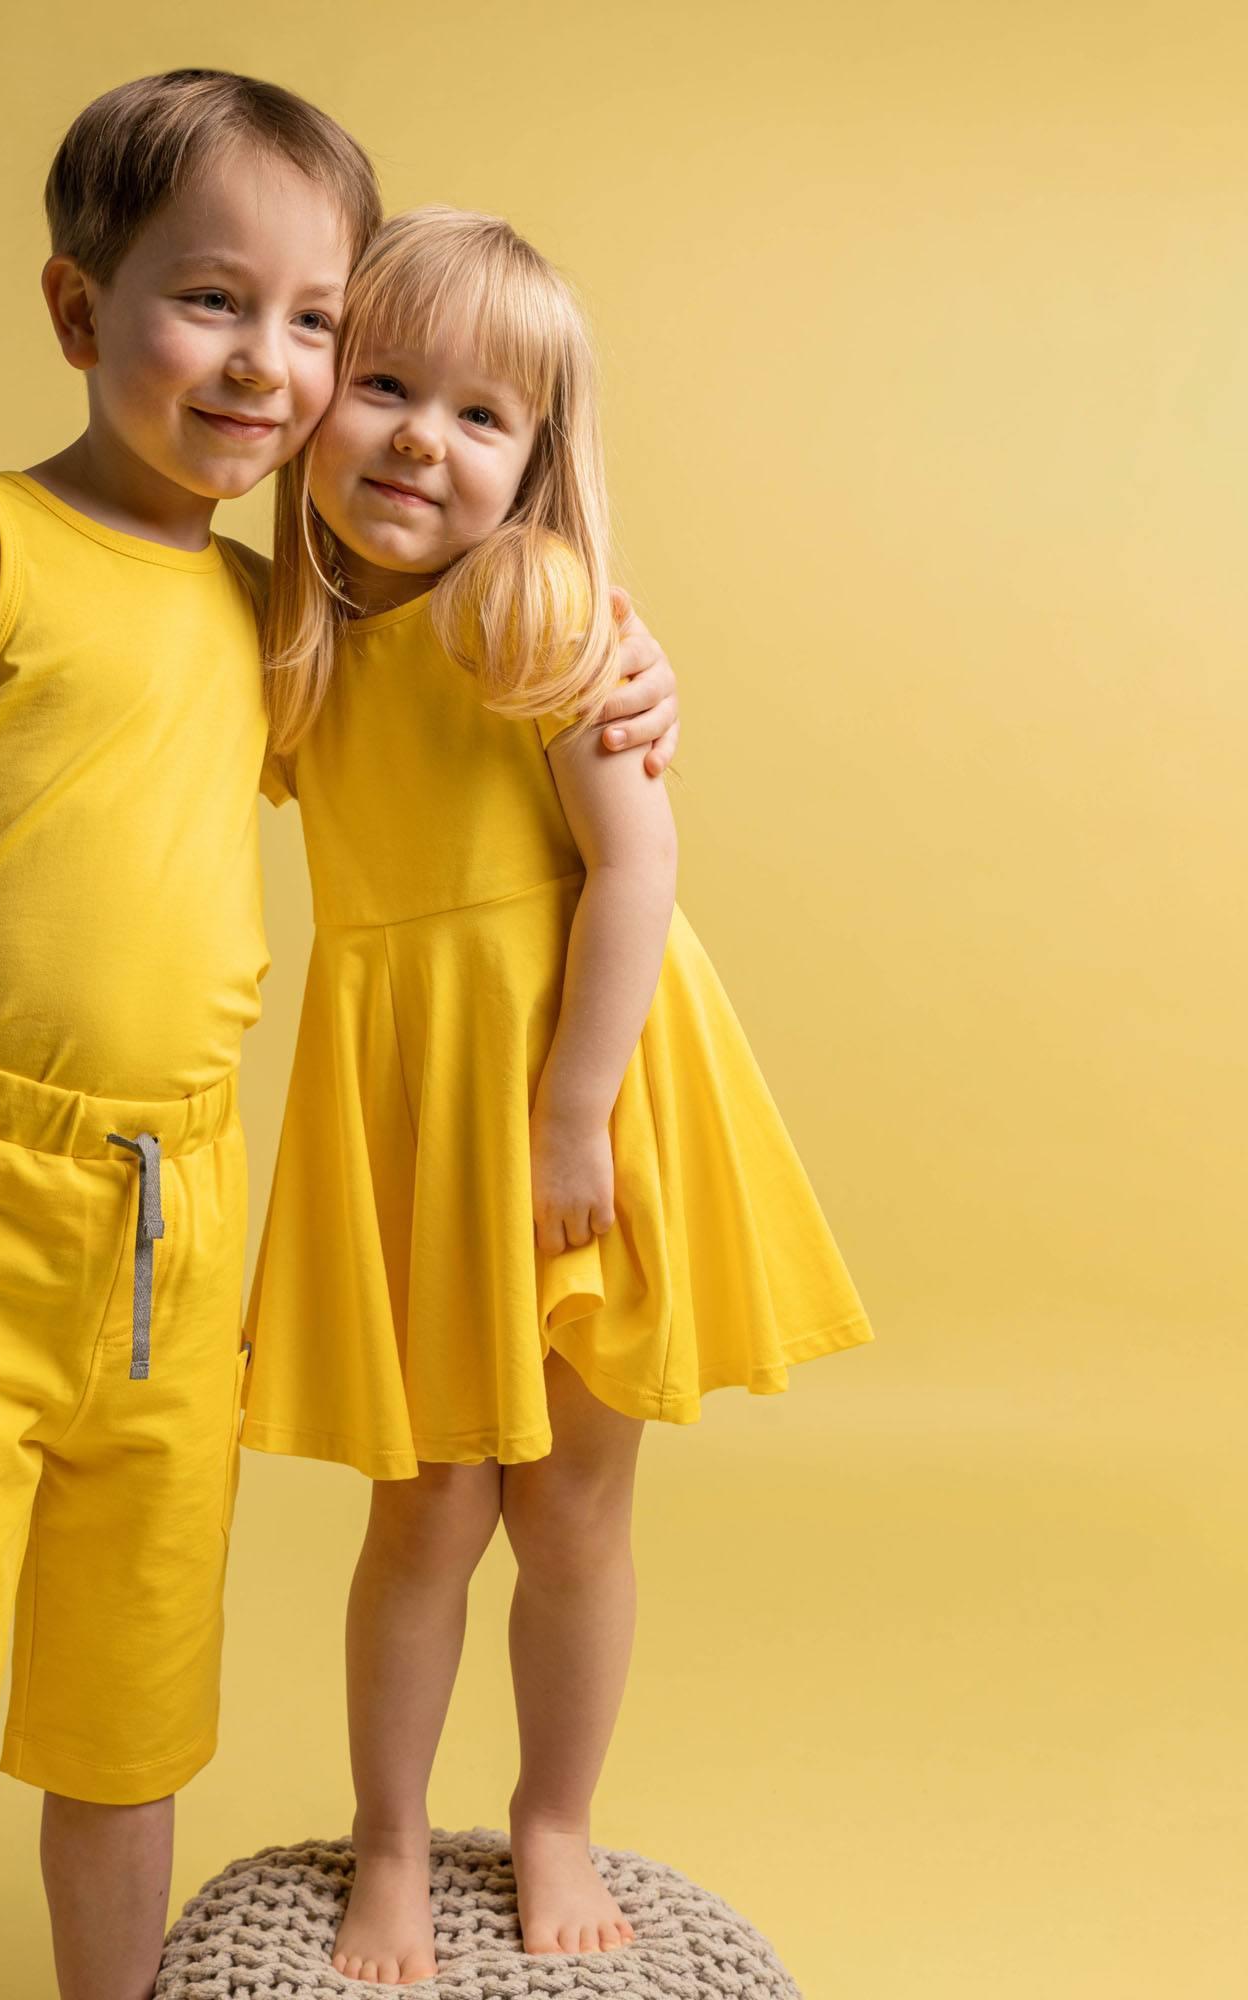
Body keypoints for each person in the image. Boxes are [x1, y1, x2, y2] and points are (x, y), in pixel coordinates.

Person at [0, 72, 685, 2000]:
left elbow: (439, 705)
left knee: (128, 1726)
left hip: (177, 1226)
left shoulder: (282, 609)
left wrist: (629, 661)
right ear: (79, 311)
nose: (269, 368)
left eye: (318, 325)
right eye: (215, 303)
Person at [236, 206, 875, 1984]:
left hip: (580, 1086)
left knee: (576, 1506)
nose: (421, 441)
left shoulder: (538, 606)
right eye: (382, 386)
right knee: (426, 1505)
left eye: (480, 416)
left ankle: (553, 1818)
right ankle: (385, 1839)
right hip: (414, 1100)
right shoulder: (284, 621)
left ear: (536, 462)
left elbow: (636, 867)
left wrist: (574, 1112)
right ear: (313, 399)